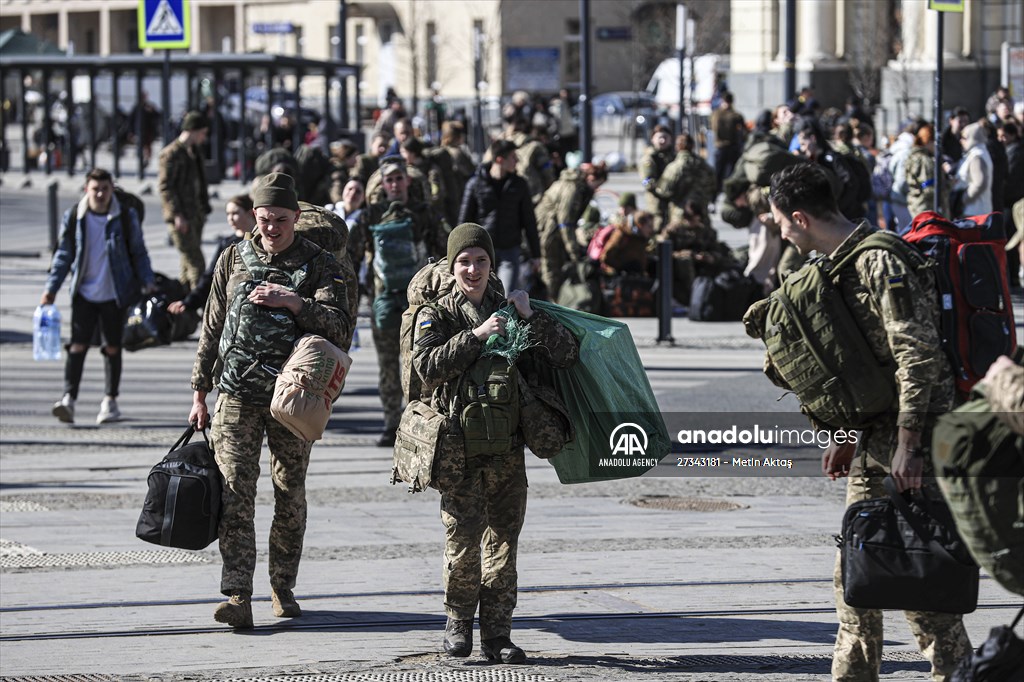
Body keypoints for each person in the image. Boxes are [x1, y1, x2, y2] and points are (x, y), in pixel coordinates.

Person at [767, 163, 971, 680]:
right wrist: (843, 435)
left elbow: (917, 355)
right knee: (857, 577)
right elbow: (860, 364)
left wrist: (910, 445)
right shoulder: (836, 266)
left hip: (917, 439)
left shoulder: (881, 260)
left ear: (799, 217)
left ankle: (959, 674)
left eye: (780, 224)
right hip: (877, 441)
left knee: (923, 581)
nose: (781, 234)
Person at [187, 172, 351, 630]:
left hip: (293, 400)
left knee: (288, 492)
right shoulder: (232, 258)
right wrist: (200, 391)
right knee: (236, 494)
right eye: (264, 220)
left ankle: (283, 584)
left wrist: (294, 303)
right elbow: (212, 326)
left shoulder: (319, 264)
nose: (271, 228)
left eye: (281, 219)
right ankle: (238, 593)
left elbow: (339, 326)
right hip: (237, 395)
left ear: (297, 217)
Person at [410, 223, 578, 664]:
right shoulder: (437, 313)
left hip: (506, 447)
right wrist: (477, 335)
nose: (473, 269)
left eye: (480, 261)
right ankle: (458, 623)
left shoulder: (510, 307)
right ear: (451, 267)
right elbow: (426, 365)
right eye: (464, 262)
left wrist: (530, 316)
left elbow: (565, 354)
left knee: (503, 540)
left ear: (492, 264)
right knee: (462, 540)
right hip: (458, 447)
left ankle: (498, 634)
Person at [43, 168, 156, 425]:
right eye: (96, 189)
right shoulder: (75, 217)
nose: (101, 194)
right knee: (77, 346)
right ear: (87, 189)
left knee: (112, 348)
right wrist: (51, 288)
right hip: (84, 293)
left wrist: (148, 281)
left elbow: (138, 251)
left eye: (105, 188)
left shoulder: (124, 217)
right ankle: (68, 399)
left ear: (111, 189)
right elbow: (63, 255)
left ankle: (110, 402)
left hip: (115, 294)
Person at [352, 156, 447, 447]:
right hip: (384, 300)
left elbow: (444, 252)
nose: (394, 184)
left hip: (421, 304)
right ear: (382, 184)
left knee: (420, 366)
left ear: (407, 180)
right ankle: (391, 423)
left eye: (398, 178)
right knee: (388, 367)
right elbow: (353, 256)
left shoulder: (424, 213)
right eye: (389, 180)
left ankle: (418, 422)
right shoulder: (370, 215)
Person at [459, 139, 540, 294]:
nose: (517, 161)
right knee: (482, 296)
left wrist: (536, 255)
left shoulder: (519, 184)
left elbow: (529, 221)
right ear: (499, 159)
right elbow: (464, 222)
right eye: (513, 157)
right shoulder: (475, 184)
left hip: (510, 251)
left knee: (505, 294)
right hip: (481, 252)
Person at [168, 194, 255, 316]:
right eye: (228, 214)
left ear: (250, 213)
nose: (230, 218)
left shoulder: (261, 241)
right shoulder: (227, 243)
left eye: (235, 213)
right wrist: (188, 302)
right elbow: (210, 277)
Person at [535, 162, 608, 300]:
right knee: (551, 270)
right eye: (598, 184)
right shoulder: (572, 188)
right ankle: (550, 304)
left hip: (551, 230)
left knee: (555, 269)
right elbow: (566, 222)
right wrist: (573, 249)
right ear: (591, 179)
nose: (597, 189)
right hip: (548, 232)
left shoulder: (578, 187)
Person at [159, 110, 212, 291]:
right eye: (203, 133)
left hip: (195, 214)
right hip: (182, 218)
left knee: (186, 265)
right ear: (193, 130)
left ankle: (184, 307)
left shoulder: (194, 152)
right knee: (197, 263)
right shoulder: (171, 154)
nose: (204, 138)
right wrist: (177, 214)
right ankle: (201, 305)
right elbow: (166, 188)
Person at [947, 121, 993, 217]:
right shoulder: (978, 153)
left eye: (964, 137)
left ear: (972, 138)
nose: (961, 141)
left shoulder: (977, 156)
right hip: (976, 210)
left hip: (974, 211)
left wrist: (963, 199)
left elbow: (980, 183)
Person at [638, 125, 674, 229]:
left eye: (665, 138)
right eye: (659, 137)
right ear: (653, 139)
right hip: (656, 204)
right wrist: (663, 190)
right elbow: (646, 182)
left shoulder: (673, 157)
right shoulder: (649, 159)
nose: (662, 141)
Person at [710, 91, 746, 194]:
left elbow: (713, 128)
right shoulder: (736, 115)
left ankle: (714, 196)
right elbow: (743, 132)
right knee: (732, 173)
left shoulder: (716, 114)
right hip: (732, 146)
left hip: (720, 146)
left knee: (718, 173)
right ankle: (729, 193)